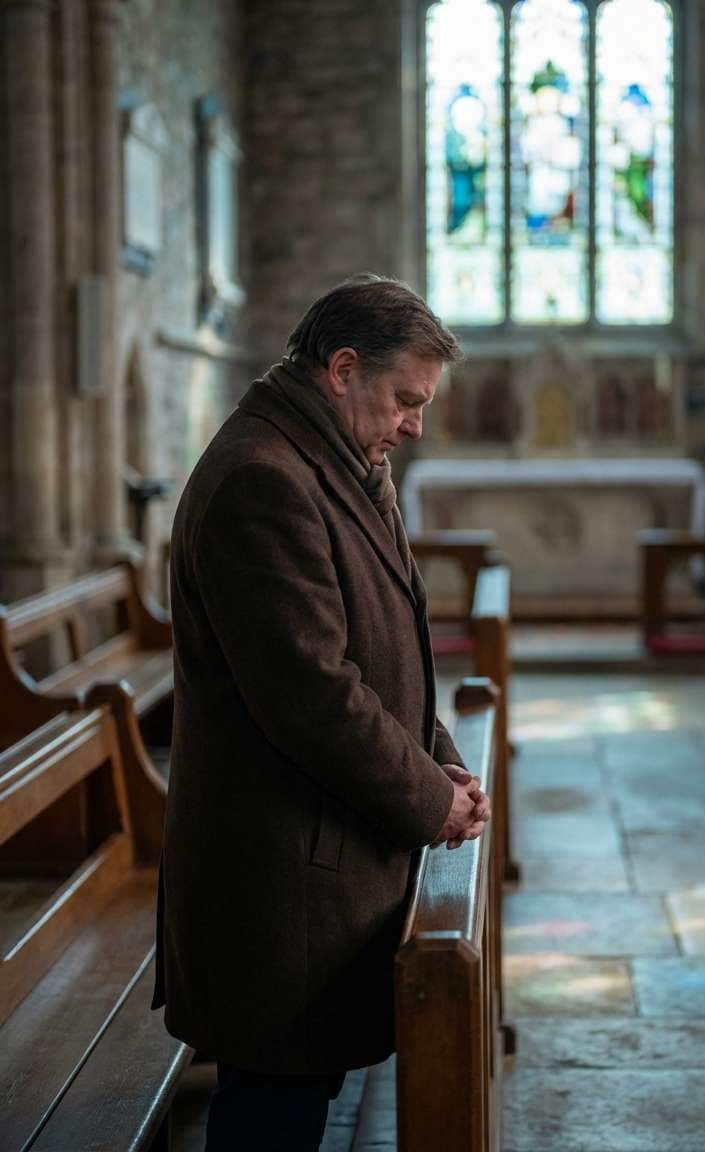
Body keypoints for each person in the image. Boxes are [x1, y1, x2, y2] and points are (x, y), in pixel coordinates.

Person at [153, 274, 491, 1151]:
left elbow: (389, 644)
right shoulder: (261, 481)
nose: (416, 423)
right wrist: (429, 800)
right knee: (272, 1110)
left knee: (295, 1095)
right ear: (342, 369)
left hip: (316, 857)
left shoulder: (340, 459)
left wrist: (440, 761)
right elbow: (314, 694)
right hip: (277, 875)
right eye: (405, 400)